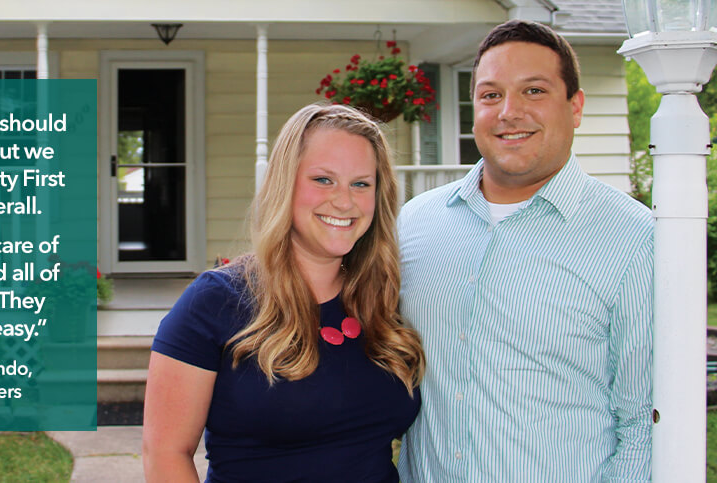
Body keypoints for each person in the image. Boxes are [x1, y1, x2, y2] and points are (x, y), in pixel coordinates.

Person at [396, 19, 652, 481]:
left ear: (575, 107)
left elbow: (644, 427)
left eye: (534, 91)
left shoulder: (634, 239)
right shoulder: (416, 224)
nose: (509, 112)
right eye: (490, 95)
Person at [142, 103, 426, 482]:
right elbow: (165, 454)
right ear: (285, 183)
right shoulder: (215, 302)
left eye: (361, 183)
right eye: (323, 179)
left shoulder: (380, 298)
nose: (344, 201)